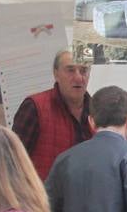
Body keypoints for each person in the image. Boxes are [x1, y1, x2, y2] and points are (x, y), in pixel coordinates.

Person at [11, 50, 94, 181]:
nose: (78, 77)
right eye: (70, 70)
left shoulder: (99, 112)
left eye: (83, 70)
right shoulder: (34, 107)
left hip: (88, 199)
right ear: (56, 74)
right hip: (43, 199)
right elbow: (11, 164)